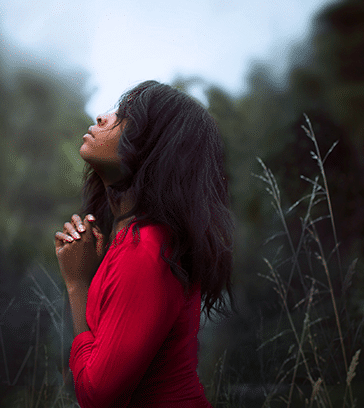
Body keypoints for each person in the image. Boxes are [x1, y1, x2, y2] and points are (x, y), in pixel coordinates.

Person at [54, 80, 234, 407]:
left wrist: (78, 284)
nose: (102, 117)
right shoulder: (133, 241)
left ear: (154, 148)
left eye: (126, 118)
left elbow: (97, 395)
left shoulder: (147, 250)